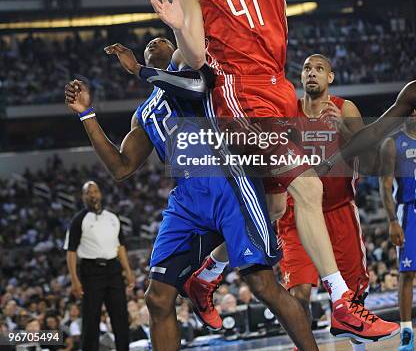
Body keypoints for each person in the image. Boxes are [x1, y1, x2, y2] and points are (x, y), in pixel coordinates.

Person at [147, 0, 398, 343]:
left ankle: (205, 274)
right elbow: (194, 59)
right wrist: (176, 24)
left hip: (277, 85)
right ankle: (342, 300)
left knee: (278, 202)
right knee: (306, 188)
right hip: (238, 96)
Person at [65, 37, 319, 351]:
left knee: (262, 284)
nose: (153, 42)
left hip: (230, 182)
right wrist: (86, 115)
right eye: (148, 44)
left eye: (161, 39)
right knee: (157, 298)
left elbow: (198, 86)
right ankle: (200, 285)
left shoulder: (189, 66)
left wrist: (140, 70)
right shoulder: (143, 114)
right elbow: (122, 167)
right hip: (187, 198)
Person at [278, 54, 369, 351]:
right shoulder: (288, 111)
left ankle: (359, 346)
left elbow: (368, 159)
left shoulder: (346, 109)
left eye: (319, 69)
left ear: (330, 77)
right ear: (301, 77)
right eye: (307, 69)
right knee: (298, 293)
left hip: (338, 208)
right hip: (297, 213)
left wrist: (343, 130)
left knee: (352, 294)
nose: (312, 73)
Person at [63, 181, 134, 351]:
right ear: (83, 197)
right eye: (89, 192)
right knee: (91, 318)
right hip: (91, 271)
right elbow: (71, 252)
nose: (93, 195)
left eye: (95, 191)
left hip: (114, 270)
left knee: (120, 317)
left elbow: (121, 247)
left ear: (100, 194)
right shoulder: (78, 220)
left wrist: (128, 271)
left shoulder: (112, 217)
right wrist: (74, 280)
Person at [379, 112, 416, 351]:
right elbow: (385, 184)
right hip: (408, 209)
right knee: (407, 273)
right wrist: (392, 220)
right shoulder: (392, 143)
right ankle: (406, 331)